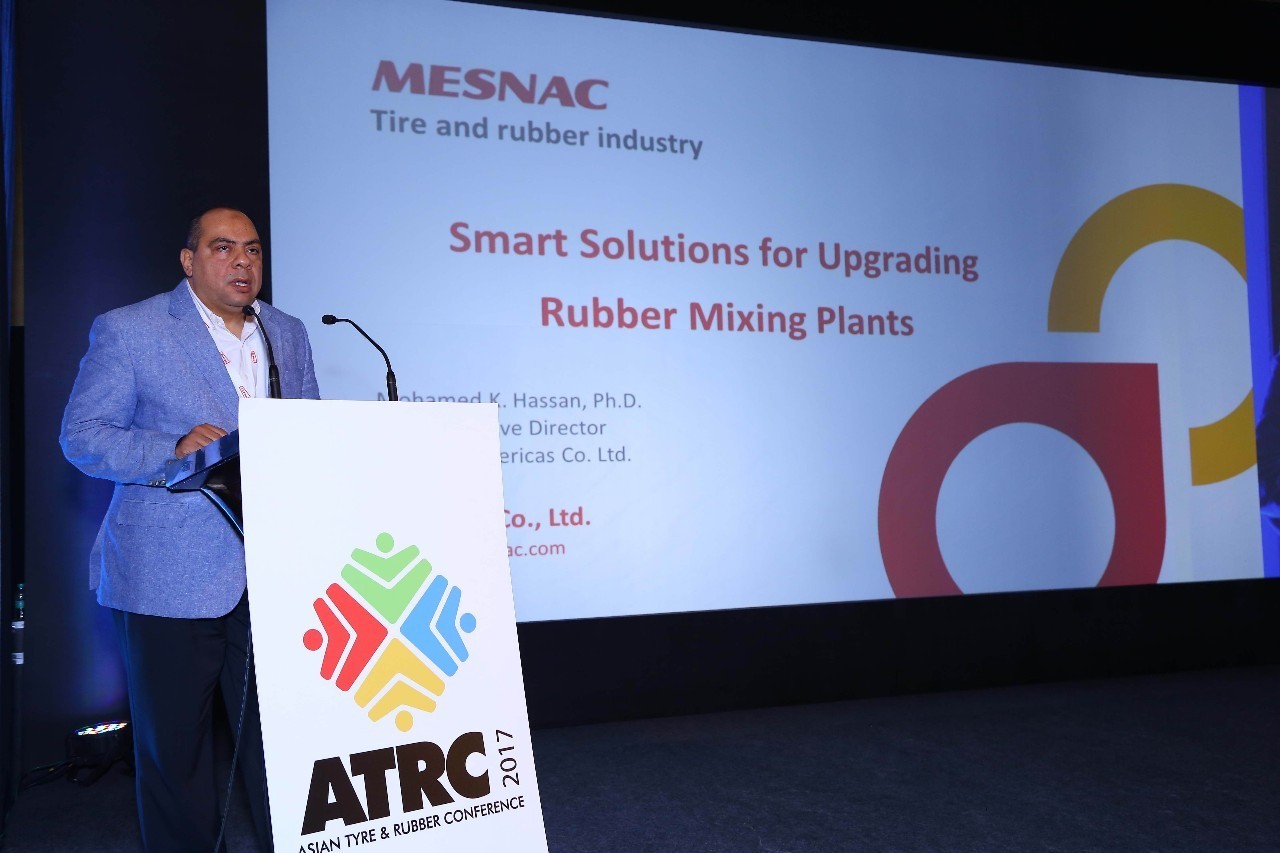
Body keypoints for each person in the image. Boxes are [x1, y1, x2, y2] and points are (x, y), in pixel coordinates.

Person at [60, 207, 320, 851]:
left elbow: (308, 431)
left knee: (282, 748)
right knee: (176, 757)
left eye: (252, 249)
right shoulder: (131, 329)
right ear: (188, 260)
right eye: (223, 247)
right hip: (168, 575)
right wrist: (171, 448)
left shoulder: (287, 332)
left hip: (271, 573)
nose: (242, 261)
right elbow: (83, 437)